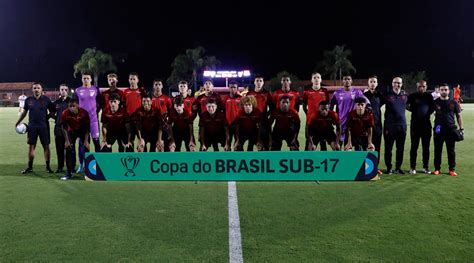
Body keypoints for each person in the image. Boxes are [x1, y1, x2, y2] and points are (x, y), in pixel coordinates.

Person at [15, 82, 55, 174]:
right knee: (31, 147)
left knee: (46, 146)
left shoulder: (46, 100)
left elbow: (52, 112)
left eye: (38, 88)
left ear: (41, 89)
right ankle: (30, 167)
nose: (36, 89)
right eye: (34, 88)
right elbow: (24, 113)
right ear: (32, 90)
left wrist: (46, 118)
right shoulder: (28, 100)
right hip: (32, 127)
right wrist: (18, 122)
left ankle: (48, 167)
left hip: (44, 127)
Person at [432, 84, 464, 176]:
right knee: (437, 150)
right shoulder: (435, 102)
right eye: (442, 90)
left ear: (448, 91)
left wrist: (461, 128)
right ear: (439, 91)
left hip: (450, 129)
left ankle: (451, 169)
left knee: (451, 150)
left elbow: (458, 116)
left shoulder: (454, 102)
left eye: (445, 90)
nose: (444, 91)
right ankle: (437, 169)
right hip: (438, 129)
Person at [330, 75, 369, 146]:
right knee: (339, 144)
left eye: (348, 79)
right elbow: (331, 106)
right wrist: (332, 117)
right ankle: (340, 156)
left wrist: (368, 107)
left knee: (354, 144)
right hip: (341, 121)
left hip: (353, 121)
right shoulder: (337, 93)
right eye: (345, 79)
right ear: (342, 81)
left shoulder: (357, 92)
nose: (347, 81)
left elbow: (365, 101)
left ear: (351, 81)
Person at [75, 72, 101, 172]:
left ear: (91, 79)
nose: (86, 80)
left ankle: (98, 164)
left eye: (87, 78)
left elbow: (100, 103)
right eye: (84, 78)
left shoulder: (95, 89)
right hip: (82, 122)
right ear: (82, 79)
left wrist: (95, 112)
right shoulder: (78, 90)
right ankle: (84, 165)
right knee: (83, 144)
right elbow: (76, 105)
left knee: (96, 143)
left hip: (94, 121)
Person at [406, 80, 434, 174]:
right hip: (415, 125)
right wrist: (413, 110)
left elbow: (432, 108)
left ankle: (425, 167)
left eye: (423, 86)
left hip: (426, 125)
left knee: (426, 147)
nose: (421, 88)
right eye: (419, 86)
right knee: (414, 147)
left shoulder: (429, 96)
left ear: (426, 87)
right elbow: (406, 105)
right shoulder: (412, 96)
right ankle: (412, 167)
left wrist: (427, 114)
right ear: (417, 87)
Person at [381, 77, 408, 174]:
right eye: (395, 83)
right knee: (388, 148)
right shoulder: (386, 95)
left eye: (399, 83)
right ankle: (389, 168)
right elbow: (376, 103)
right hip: (390, 125)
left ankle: (398, 167)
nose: (397, 85)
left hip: (402, 125)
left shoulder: (405, 95)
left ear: (402, 84)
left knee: (400, 148)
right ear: (392, 84)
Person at [60, 98, 90, 180]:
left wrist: (86, 141)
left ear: (78, 105)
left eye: (73, 106)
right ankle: (69, 173)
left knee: (86, 150)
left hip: (83, 131)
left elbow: (88, 128)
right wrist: (66, 141)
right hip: (72, 131)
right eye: (70, 106)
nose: (72, 108)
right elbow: (63, 127)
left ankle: (88, 172)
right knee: (69, 150)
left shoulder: (84, 113)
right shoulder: (65, 113)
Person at [303, 72, 330, 150]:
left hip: (323, 121)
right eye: (314, 77)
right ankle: (307, 160)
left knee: (323, 143)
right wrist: (308, 114)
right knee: (308, 142)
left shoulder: (325, 91)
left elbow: (327, 104)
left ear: (321, 80)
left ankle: (323, 161)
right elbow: (304, 105)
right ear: (311, 80)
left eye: (318, 77)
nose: (316, 79)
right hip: (310, 121)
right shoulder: (307, 92)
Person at [101, 73, 126, 152]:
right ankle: (109, 162)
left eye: (113, 80)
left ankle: (120, 163)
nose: (111, 81)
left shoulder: (121, 93)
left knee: (122, 146)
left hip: (119, 122)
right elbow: (102, 105)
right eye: (110, 80)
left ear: (117, 81)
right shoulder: (104, 94)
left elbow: (123, 106)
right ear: (108, 81)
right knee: (107, 146)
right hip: (108, 121)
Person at [246, 75, 272, 150]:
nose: (258, 83)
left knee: (265, 145)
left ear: (263, 82)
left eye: (260, 81)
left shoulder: (267, 94)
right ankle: (249, 160)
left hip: (263, 122)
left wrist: (266, 115)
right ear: (254, 82)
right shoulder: (249, 94)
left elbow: (272, 107)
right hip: (252, 122)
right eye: (257, 81)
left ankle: (265, 160)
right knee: (251, 144)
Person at [364, 75, 383, 174]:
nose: (372, 83)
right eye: (371, 81)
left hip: (377, 125)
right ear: (368, 83)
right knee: (366, 146)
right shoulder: (364, 96)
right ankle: (366, 168)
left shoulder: (380, 95)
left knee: (377, 146)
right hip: (365, 126)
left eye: (374, 81)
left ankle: (375, 167)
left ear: (377, 83)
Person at [123, 72, 147, 149]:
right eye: (131, 79)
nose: (132, 81)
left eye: (134, 79)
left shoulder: (141, 91)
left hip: (140, 120)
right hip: (129, 120)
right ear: (128, 80)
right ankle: (132, 158)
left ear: (137, 80)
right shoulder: (125, 92)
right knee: (130, 142)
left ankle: (144, 159)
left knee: (142, 142)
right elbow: (123, 105)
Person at [52, 84, 70, 173]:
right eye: (62, 89)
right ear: (59, 90)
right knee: (59, 149)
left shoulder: (71, 102)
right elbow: (51, 113)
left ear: (68, 90)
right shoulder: (56, 102)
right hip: (58, 128)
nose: (63, 91)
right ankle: (60, 167)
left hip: (69, 129)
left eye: (65, 89)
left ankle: (70, 167)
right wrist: (58, 119)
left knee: (70, 149)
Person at [221, 81, 242, 147]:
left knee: (238, 146)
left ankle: (238, 157)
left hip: (238, 125)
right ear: (229, 88)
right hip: (227, 125)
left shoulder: (241, 98)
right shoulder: (225, 98)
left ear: (237, 88)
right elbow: (223, 111)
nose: (233, 89)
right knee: (227, 144)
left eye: (234, 87)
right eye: (231, 87)